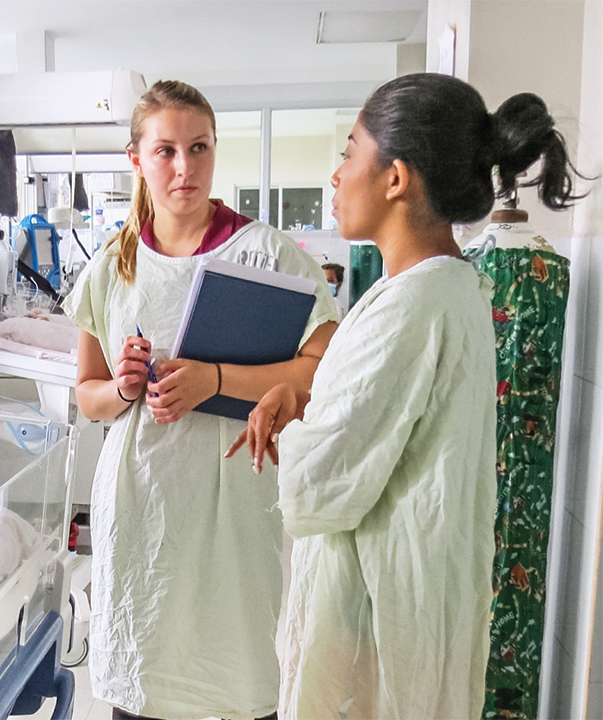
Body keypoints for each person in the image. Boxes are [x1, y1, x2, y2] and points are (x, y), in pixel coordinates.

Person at [229, 73, 587, 718]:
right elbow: (385, 430)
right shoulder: (441, 288)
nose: (336, 176)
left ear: (396, 178)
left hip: (378, 620)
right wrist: (306, 401)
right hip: (405, 603)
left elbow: (324, 484)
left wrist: (297, 431)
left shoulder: (414, 304)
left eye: (348, 152)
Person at [63, 79, 339, 720]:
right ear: (136, 159)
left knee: (237, 680)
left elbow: (319, 369)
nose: (184, 167)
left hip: (233, 505)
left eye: (199, 148)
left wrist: (215, 380)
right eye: (165, 151)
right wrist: (124, 388)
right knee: (143, 681)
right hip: (141, 504)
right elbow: (87, 396)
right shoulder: (114, 264)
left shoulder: (266, 253)